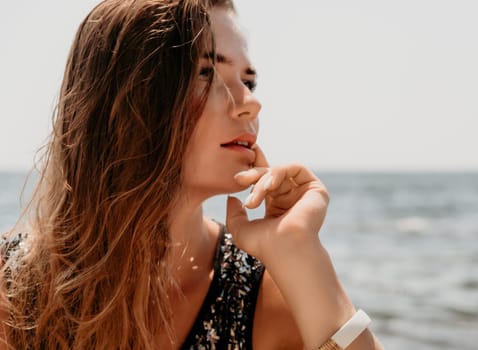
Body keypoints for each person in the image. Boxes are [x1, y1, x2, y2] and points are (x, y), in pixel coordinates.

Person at [0, 0, 384, 349]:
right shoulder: (13, 287)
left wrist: (302, 252)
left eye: (248, 81)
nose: (250, 102)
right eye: (206, 73)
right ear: (127, 95)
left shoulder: (260, 293)